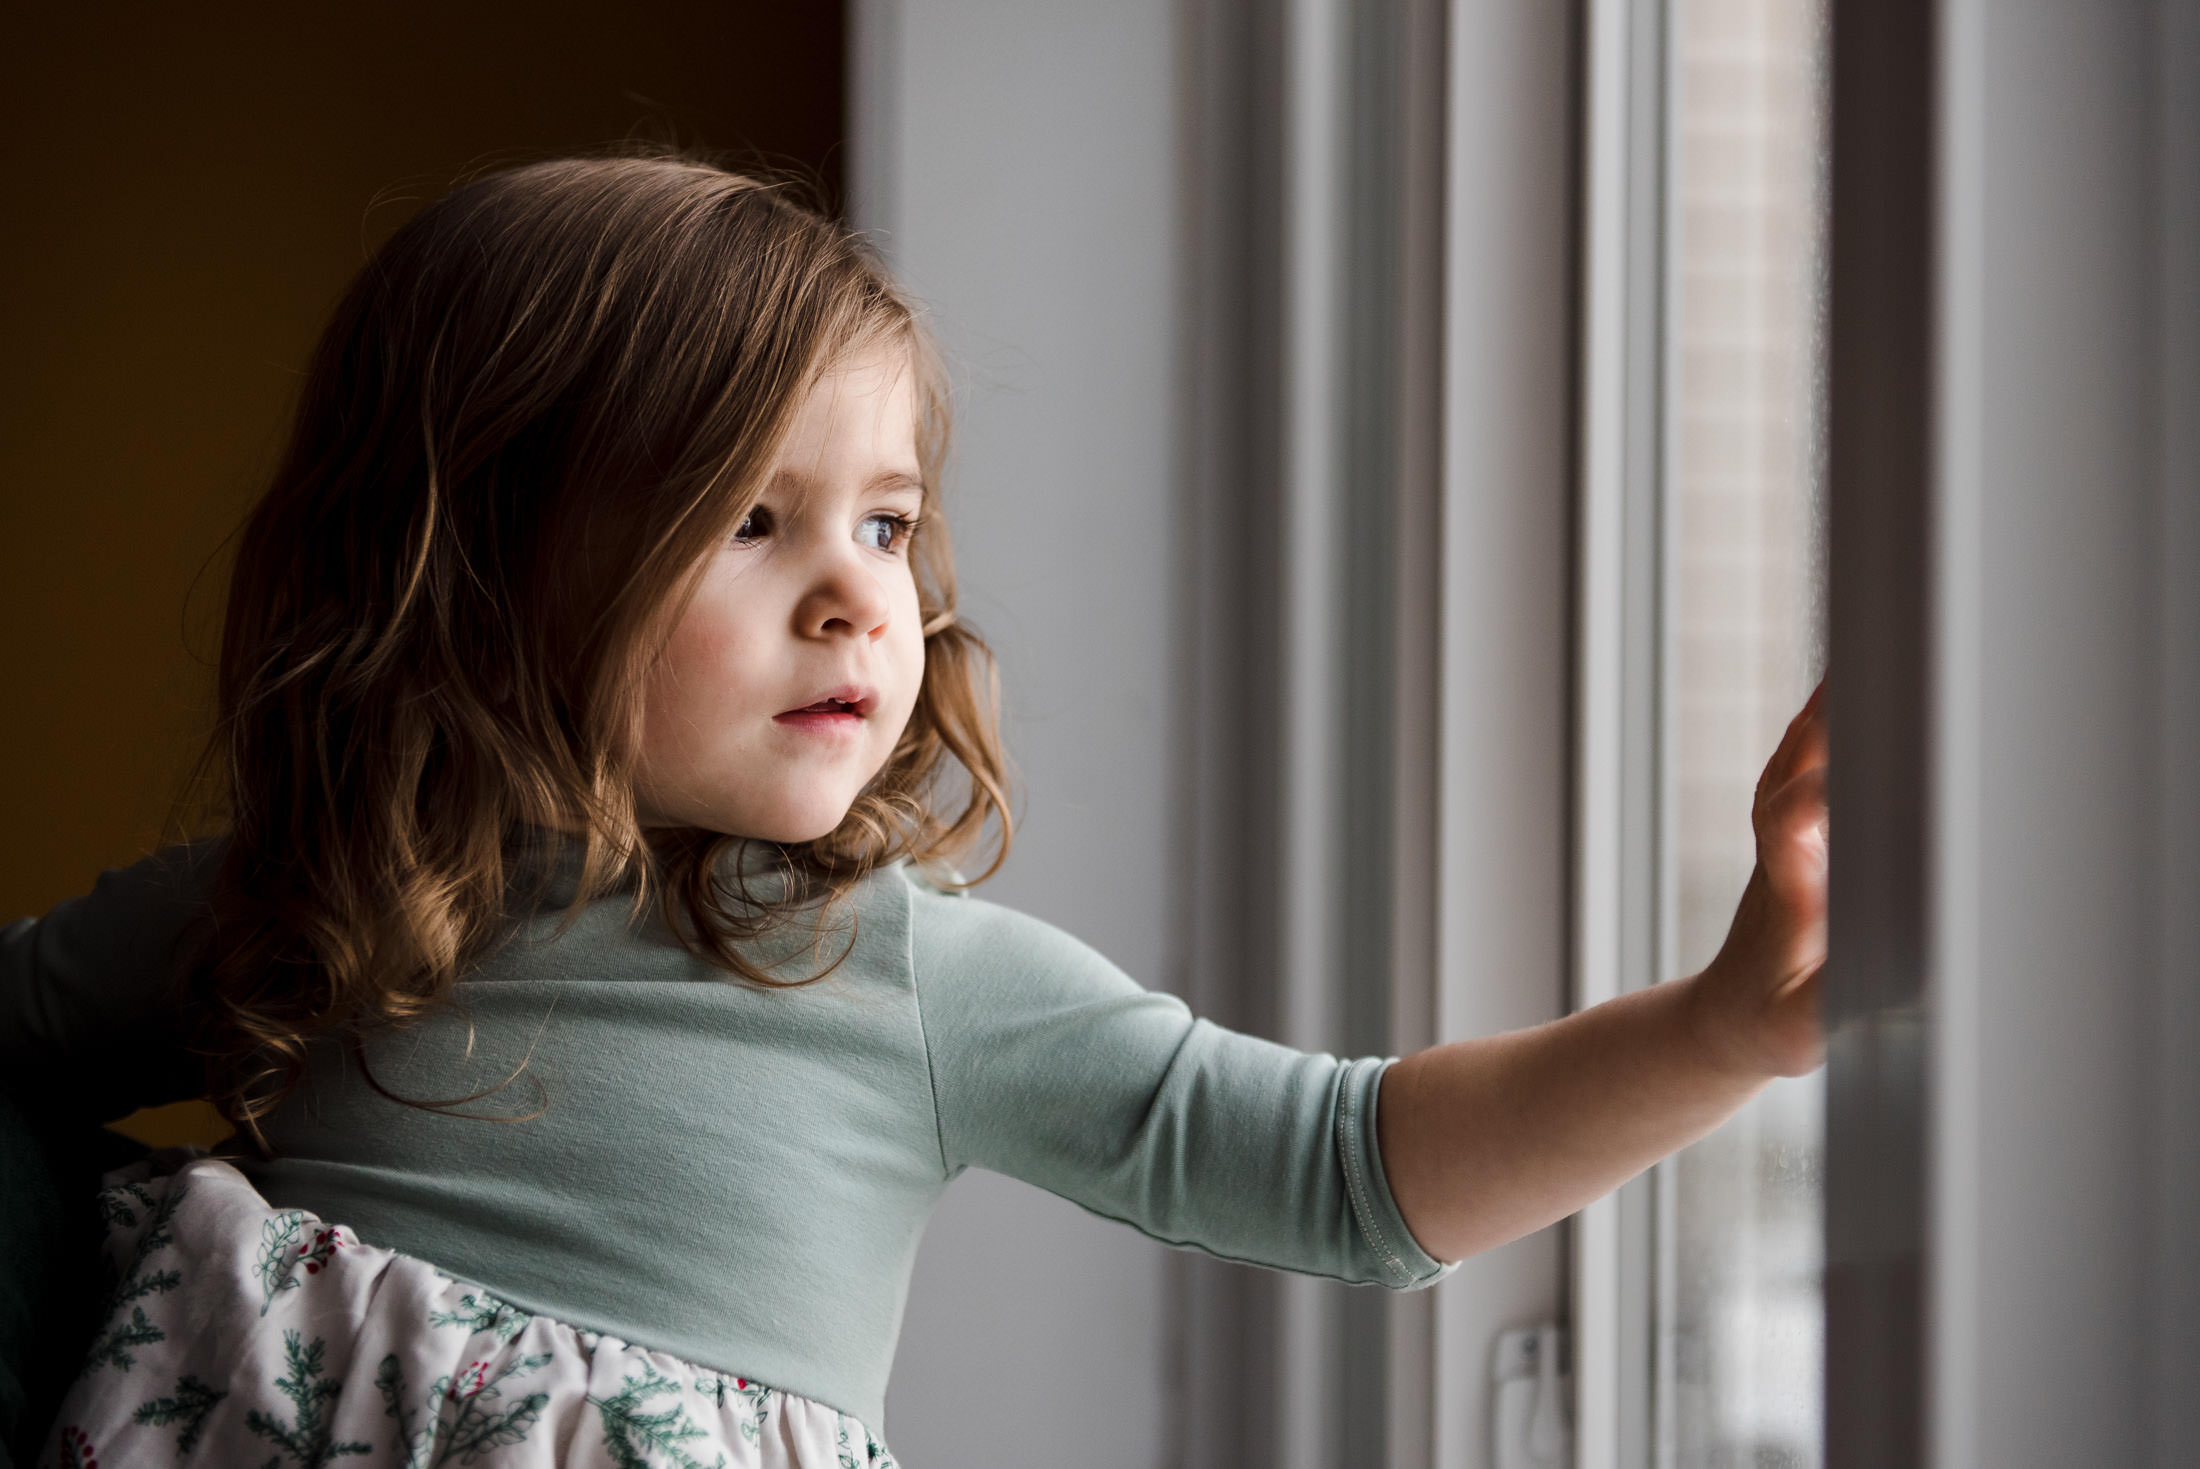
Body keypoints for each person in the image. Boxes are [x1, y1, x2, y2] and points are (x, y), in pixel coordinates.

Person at [0, 154, 1827, 1469]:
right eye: (750, 517)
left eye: (885, 522)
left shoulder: (907, 980)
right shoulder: (310, 903)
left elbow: (1343, 1165)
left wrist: (1724, 1024)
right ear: (477, 568)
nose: (860, 597)